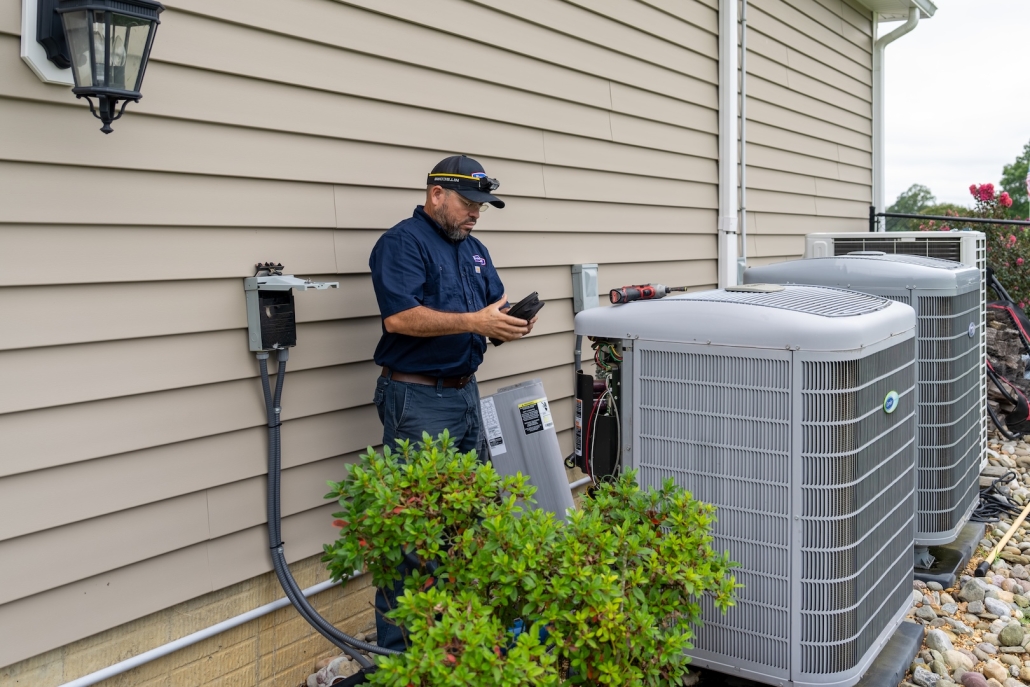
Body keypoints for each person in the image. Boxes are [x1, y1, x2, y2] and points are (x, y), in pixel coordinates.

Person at [368, 155, 537, 651]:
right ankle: (398, 659)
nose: (475, 214)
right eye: (468, 203)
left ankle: (454, 642)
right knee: (413, 533)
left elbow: (490, 311)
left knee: (469, 521)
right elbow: (399, 319)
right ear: (436, 194)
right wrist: (475, 322)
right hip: (417, 397)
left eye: (482, 207)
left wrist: (508, 322)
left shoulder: (475, 249)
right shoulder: (402, 243)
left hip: (465, 394)